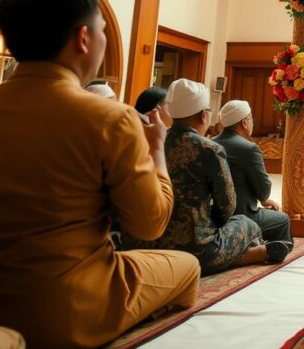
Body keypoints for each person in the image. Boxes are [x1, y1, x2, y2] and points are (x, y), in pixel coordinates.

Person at [0, 0, 200, 348]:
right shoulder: (109, 118)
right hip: (66, 308)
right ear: (83, 39)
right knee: (187, 268)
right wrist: (155, 149)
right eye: (102, 29)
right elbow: (150, 224)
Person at [121, 79, 289, 274]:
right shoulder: (209, 149)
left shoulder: (149, 141)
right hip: (197, 249)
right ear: (203, 116)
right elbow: (227, 206)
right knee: (245, 223)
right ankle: (248, 254)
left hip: (143, 243)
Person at [214, 100, 293, 248]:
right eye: (251, 119)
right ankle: (273, 254)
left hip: (214, 214)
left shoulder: (210, 143)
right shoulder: (249, 149)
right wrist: (263, 199)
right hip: (242, 215)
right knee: (282, 219)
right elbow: (264, 191)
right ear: (244, 123)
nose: (252, 123)